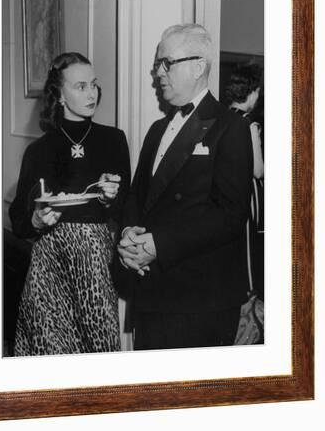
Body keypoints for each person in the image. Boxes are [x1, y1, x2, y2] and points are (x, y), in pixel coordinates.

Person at [113, 24, 253, 350]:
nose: (158, 74)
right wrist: (128, 236)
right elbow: (138, 195)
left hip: (199, 300)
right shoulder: (157, 129)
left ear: (198, 66)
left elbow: (230, 215)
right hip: (150, 289)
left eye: (166, 63)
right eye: (157, 65)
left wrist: (158, 244)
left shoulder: (231, 127)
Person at [10, 52, 131, 356]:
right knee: (47, 357)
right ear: (60, 94)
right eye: (80, 86)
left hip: (95, 263)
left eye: (94, 85)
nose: (92, 93)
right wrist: (37, 220)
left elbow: (127, 209)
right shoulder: (39, 150)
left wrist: (109, 199)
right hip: (49, 265)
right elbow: (20, 221)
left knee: (98, 355)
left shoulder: (114, 140)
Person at [225, 65, 264, 299]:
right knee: (249, 250)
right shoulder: (249, 124)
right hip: (246, 198)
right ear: (252, 92)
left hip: (226, 195)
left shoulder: (222, 119)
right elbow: (258, 170)